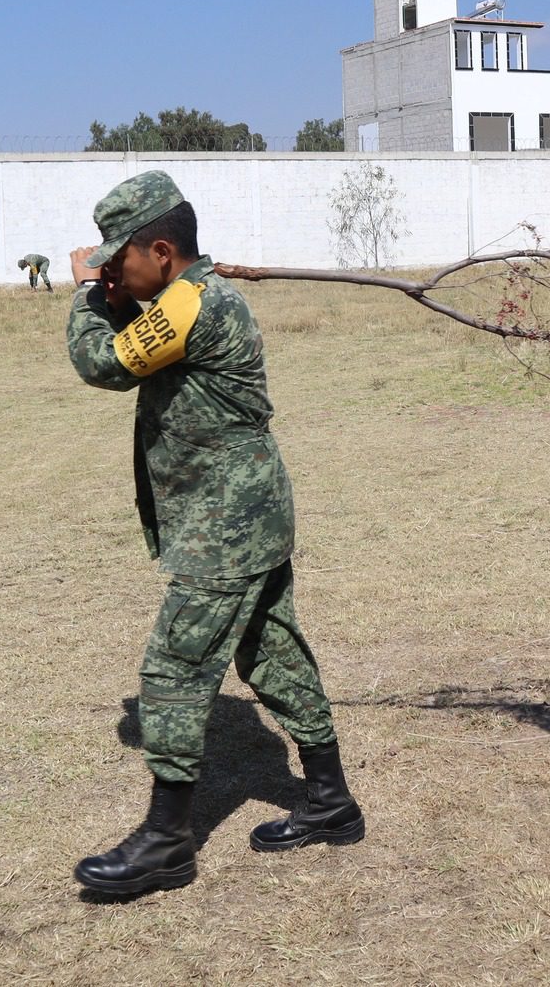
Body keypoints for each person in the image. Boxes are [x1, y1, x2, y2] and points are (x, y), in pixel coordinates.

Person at [64, 170, 361, 897]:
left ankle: (167, 841)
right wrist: (113, 291)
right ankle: (329, 799)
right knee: (272, 651)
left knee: (173, 669)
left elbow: (101, 363)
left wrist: (81, 296)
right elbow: (138, 340)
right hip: (245, 510)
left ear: (161, 251)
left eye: (118, 256)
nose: (109, 267)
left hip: (227, 523)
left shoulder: (196, 302)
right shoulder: (186, 295)